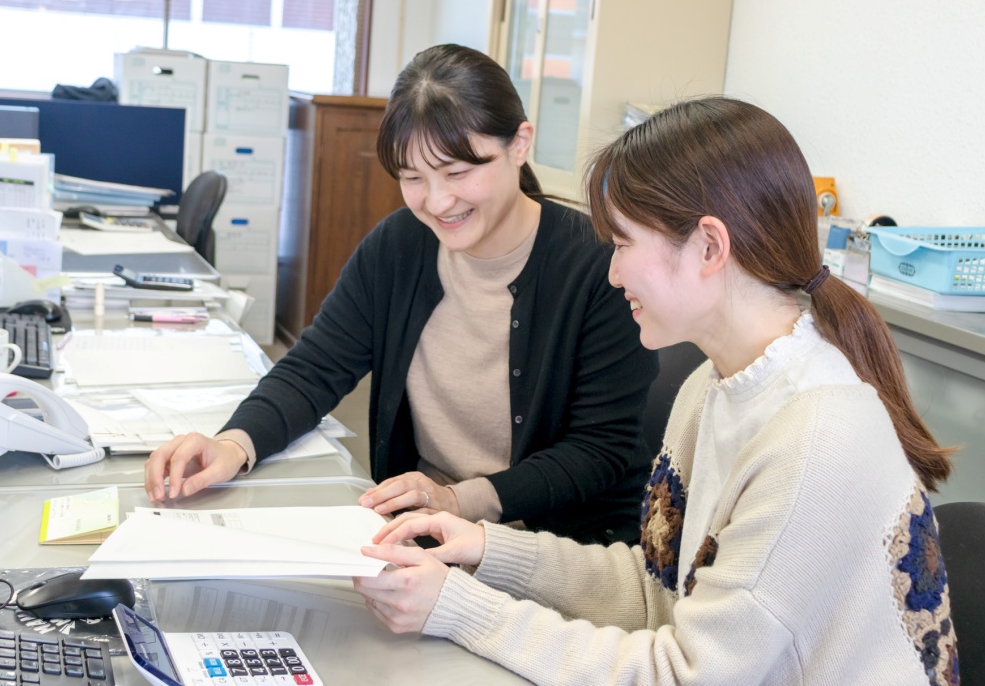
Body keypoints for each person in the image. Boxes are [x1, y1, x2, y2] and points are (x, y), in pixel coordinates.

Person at [353, 97, 959, 685]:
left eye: (621, 245)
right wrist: (486, 548)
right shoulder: (711, 388)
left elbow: (684, 674)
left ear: (709, 247)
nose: (613, 274)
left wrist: (461, 608)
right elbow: (656, 591)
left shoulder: (815, 440)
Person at [143, 44, 659, 545]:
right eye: (413, 178)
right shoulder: (399, 246)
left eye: (458, 172)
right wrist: (235, 442)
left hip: (546, 546)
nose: (437, 202)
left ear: (519, 143)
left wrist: (458, 501)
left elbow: (598, 450)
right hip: (422, 536)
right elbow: (316, 366)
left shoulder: (599, 265)